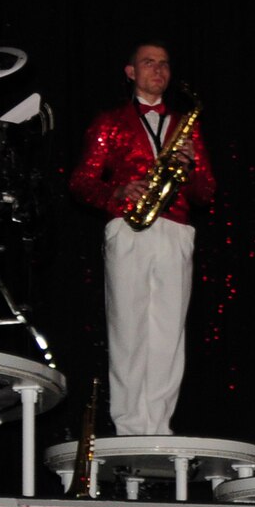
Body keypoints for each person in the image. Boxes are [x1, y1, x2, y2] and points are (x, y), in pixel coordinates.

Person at [68, 40, 216, 437]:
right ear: (130, 72)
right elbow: (80, 182)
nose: (159, 70)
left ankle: (160, 427)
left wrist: (194, 165)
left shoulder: (188, 124)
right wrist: (115, 192)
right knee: (129, 328)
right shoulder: (109, 121)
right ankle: (130, 426)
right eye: (149, 63)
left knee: (169, 333)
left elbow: (207, 193)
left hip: (177, 229)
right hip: (129, 226)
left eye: (165, 64)